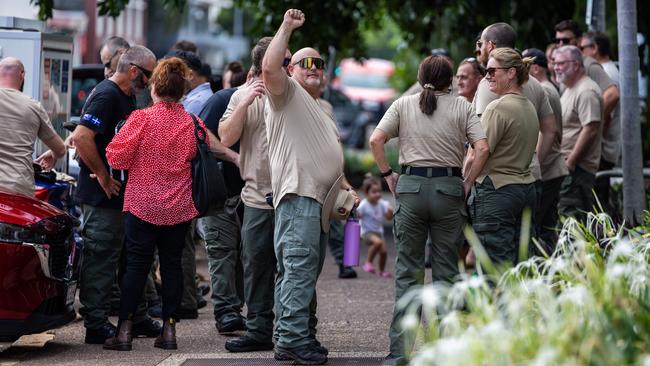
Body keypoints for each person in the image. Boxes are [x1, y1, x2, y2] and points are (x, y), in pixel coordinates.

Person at [103, 56, 235, 351]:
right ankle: (169, 332)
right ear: (181, 90)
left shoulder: (140, 119)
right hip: (178, 206)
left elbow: (116, 157)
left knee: (136, 267)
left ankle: (123, 332)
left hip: (142, 205)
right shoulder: (192, 122)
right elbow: (198, 155)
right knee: (172, 266)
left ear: (154, 87)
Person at [369, 55, 489, 366]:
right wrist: (467, 181)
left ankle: (400, 353)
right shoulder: (462, 106)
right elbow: (483, 148)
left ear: (422, 77)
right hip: (449, 189)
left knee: (408, 272)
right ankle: (443, 351)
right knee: (446, 272)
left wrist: (387, 174)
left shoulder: (403, 104)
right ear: (450, 81)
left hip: (411, 188)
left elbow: (376, 139)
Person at [262, 9, 358, 365]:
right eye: (305, 63)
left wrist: (346, 187)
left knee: (301, 272)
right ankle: (291, 340)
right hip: (299, 198)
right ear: (291, 70)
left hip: (318, 203)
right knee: (299, 269)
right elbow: (269, 68)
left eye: (318, 62)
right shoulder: (285, 93)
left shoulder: (322, 107)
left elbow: (329, 155)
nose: (314, 67)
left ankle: (297, 334)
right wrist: (286, 26)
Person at [72, 45, 161, 344]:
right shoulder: (107, 95)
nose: (151, 82)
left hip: (122, 195)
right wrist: (102, 175)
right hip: (103, 198)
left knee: (128, 257)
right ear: (134, 70)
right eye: (149, 75)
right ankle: (95, 324)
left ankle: (136, 317)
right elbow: (82, 137)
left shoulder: (127, 96)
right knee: (101, 258)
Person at [216, 36, 279, 353]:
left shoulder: (298, 95)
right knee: (254, 264)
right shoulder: (243, 95)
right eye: (284, 58)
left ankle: (293, 331)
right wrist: (244, 102)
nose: (289, 65)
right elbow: (225, 138)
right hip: (256, 197)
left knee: (293, 267)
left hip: (294, 196)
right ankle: (258, 330)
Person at [467, 48, 539, 266]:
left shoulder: (497, 107)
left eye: (491, 71)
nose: (487, 76)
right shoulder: (529, 107)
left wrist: (466, 182)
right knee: (520, 265)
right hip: (525, 189)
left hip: (497, 193)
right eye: (485, 71)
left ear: (511, 73)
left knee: (494, 268)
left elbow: (480, 150)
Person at [197, 59, 247, 333]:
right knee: (222, 251)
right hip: (222, 192)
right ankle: (226, 311)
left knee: (248, 254)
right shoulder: (221, 100)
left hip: (256, 195)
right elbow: (200, 132)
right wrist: (233, 157)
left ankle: (238, 308)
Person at [164, 49, 211, 318]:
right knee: (183, 246)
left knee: (180, 247)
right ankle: (186, 298)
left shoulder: (191, 105)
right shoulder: (200, 99)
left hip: (185, 186)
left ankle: (184, 300)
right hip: (189, 186)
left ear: (188, 74)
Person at [0, 57, 66, 196]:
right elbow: (60, 150)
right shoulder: (33, 107)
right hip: (17, 188)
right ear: (22, 75)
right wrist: (52, 154)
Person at [522, 48, 567, 250]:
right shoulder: (548, 88)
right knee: (548, 229)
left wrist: (534, 166)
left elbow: (546, 131)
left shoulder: (544, 90)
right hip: (552, 166)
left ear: (536, 68)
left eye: (524, 66)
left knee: (536, 228)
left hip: (547, 168)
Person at [554, 45, 603, 221]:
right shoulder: (569, 88)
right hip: (566, 168)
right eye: (554, 63)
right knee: (564, 222)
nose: (556, 67)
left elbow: (591, 129)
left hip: (577, 170)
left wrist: (572, 161)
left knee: (571, 224)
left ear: (575, 64)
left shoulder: (586, 91)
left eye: (561, 63)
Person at [580, 31, 621, 212]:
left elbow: (610, 107)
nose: (579, 53)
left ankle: (602, 239)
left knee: (597, 207)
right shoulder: (610, 69)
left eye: (582, 48)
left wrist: (595, 134)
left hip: (602, 149)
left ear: (594, 48)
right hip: (604, 148)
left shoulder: (604, 71)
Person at [357, 174, 394, 278]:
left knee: (384, 252)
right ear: (366, 193)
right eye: (374, 192)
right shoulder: (363, 205)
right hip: (366, 232)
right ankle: (368, 263)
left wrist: (390, 212)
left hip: (379, 232)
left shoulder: (382, 204)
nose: (377, 194)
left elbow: (389, 218)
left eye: (379, 191)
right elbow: (356, 217)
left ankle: (382, 271)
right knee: (377, 243)